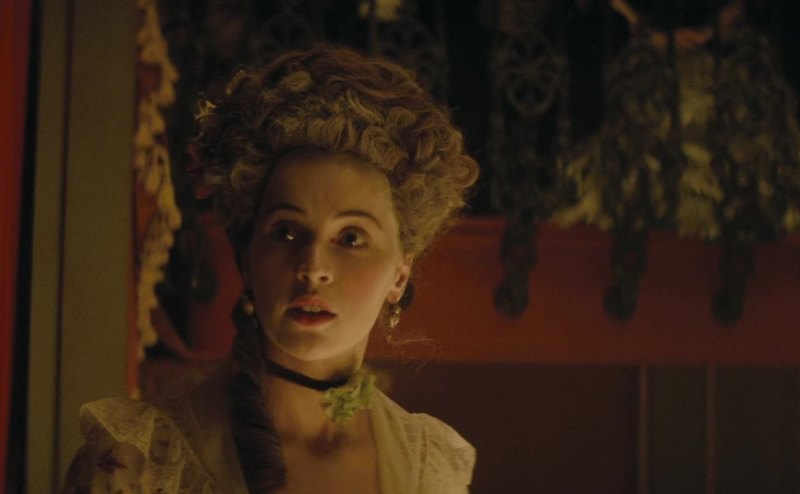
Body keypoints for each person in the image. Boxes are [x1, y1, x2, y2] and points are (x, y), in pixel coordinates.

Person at [61, 46, 479, 493]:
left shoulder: (429, 466)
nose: (313, 268)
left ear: (399, 274)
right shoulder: (136, 461)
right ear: (246, 257)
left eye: (351, 238)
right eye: (287, 232)